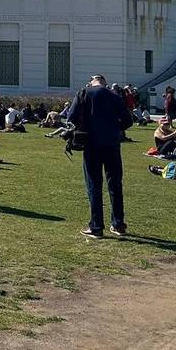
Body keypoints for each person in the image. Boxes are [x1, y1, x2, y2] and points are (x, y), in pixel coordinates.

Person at [63, 74, 128, 239]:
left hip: (91, 144)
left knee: (94, 185)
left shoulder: (84, 93)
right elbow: (128, 120)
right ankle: (118, 224)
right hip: (112, 144)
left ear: (92, 81)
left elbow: (71, 118)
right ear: (105, 82)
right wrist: (114, 128)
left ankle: (96, 226)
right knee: (115, 184)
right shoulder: (115, 95)